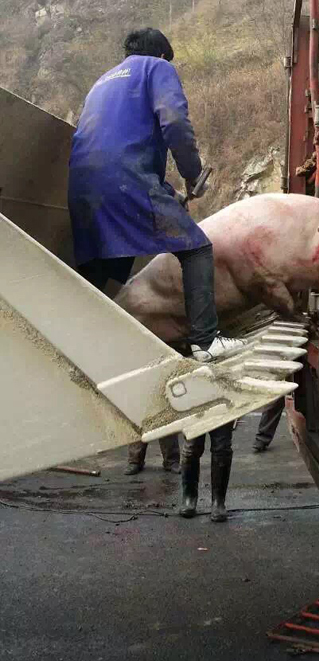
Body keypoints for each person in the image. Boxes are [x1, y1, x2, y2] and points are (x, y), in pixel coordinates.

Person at [68, 28, 245, 487]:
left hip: (85, 189)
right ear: (163, 54)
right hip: (126, 182)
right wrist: (193, 176)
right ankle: (207, 339)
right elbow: (173, 123)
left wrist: (164, 193)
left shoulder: (102, 82)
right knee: (197, 247)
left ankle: (74, 352)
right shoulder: (157, 69)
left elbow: (117, 144)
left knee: (106, 271)